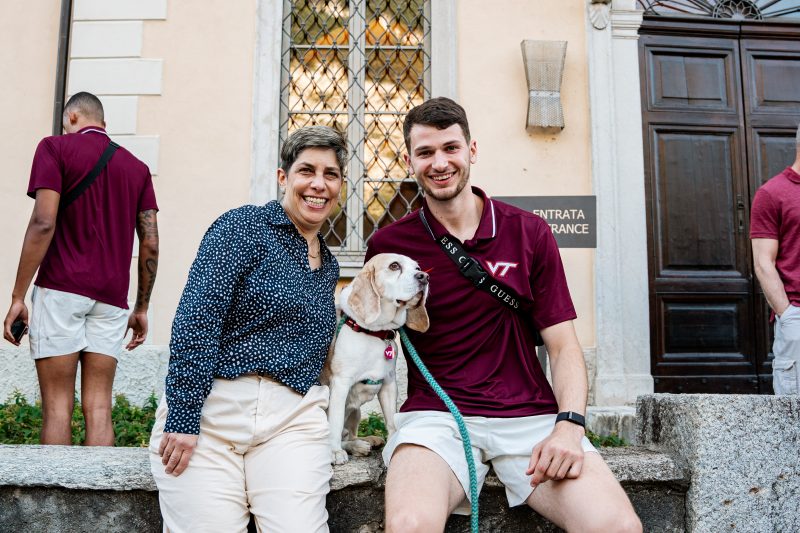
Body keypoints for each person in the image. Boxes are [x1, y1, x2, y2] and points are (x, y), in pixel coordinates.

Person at [365, 97, 642, 532]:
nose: (440, 162)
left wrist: (569, 426)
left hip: (530, 418)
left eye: (450, 148)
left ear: (471, 150)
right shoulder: (390, 246)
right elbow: (370, 331)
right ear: (410, 160)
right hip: (438, 419)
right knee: (409, 524)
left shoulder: (528, 232)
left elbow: (563, 345)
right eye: (425, 152)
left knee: (616, 526)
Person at [150, 125, 346, 532]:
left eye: (331, 174)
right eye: (306, 170)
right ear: (283, 178)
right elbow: (198, 318)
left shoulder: (329, 266)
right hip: (212, 415)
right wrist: (184, 416)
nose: (318, 184)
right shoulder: (243, 228)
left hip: (292, 420)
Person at [2, 91, 159, 446]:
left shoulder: (54, 148)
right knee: (100, 407)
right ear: (103, 124)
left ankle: (54, 504)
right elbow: (150, 242)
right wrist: (142, 307)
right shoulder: (136, 168)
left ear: (72, 118)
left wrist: (17, 296)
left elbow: (43, 222)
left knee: (58, 407)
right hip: (112, 301)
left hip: (61, 288)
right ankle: (100, 503)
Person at [751, 124, 800, 395]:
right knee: (795, 419)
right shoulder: (772, 193)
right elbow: (762, 262)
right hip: (797, 317)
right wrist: (788, 314)